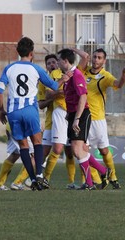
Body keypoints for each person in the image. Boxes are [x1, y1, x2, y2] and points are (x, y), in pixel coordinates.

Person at [0, 37, 70, 191]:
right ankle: (39, 175)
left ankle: (32, 178)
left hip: (14, 112)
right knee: (37, 143)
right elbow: (54, 85)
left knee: (23, 146)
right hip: (30, 110)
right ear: (32, 53)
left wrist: (1, 110)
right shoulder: (36, 69)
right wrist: (63, 79)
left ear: (17, 52)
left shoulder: (9, 68)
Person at [57, 48, 111, 190]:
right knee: (79, 150)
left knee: (77, 150)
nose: (57, 63)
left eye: (58, 60)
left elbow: (83, 96)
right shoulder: (69, 75)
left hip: (81, 115)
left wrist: (77, 118)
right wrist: (70, 115)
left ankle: (89, 183)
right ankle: (104, 172)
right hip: (73, 115)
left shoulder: (76, 75)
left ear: (65, 61)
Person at [73, 47, 125, 189]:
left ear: (104, 61)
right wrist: (75, 50)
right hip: (84, 117)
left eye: (99, 58)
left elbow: (117, 84)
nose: (96, 60)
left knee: (104, 151)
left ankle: (112, 176)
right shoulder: (83, 71)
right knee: (82, 151)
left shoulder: (105, 76)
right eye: (95, 57)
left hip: (98, 120)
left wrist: (123, 77)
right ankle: (94, 180)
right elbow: (82, 60)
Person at [38, 54, 78, 189]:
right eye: (48, 63)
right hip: (51, 121)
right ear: (46, 66)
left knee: (70, 152)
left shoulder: (67, 75)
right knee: (46, 152)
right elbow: (41, 104)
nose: (52, 65)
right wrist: (56, 96)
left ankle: (72, 182)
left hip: (67, 115)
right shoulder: (44, 81)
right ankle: (34, 178)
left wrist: (58, 93)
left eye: (54, 62)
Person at [0, 122, 33, 191]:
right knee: (34, 155)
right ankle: (17, 183)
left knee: (15, 154)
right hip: (22, 125)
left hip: (11, 124)